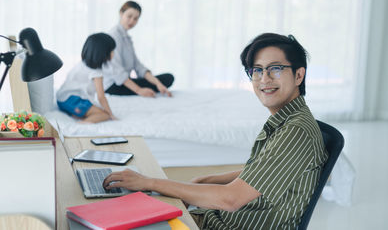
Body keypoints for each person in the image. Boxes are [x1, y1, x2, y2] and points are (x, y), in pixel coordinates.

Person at [103, 33, 328, 229]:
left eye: (275, 69)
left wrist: (148, 182)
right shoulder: (286, 119)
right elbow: (264, 169)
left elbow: (231, 199)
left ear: (299, 75)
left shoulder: (296, 131)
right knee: (126, 214)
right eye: (257, 70)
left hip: (224, 224)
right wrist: (209, 179)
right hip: (215, 219)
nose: (264, 79)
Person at [103, 0, 174, 97]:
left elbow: (137, 66)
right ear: (121, 13)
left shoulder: (126, 38)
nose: (132, 21)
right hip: (114, 85)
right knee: (167, 79)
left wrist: (158, 83)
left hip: (125, 81)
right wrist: (139, 90)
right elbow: (117, 71)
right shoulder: (114, 36)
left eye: (136, 18)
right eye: (129, 16)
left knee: (167, 78)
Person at [56, 33, 117, 124]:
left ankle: (76, 114)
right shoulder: (96, 72)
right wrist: (111, 114)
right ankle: (80, 124)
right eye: (112, 50)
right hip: (72, 101)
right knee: (104, 115)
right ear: (103, 53)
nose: (114, 53)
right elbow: (101, 97)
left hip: (61, 99)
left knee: (97, 110)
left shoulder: (83, 64)